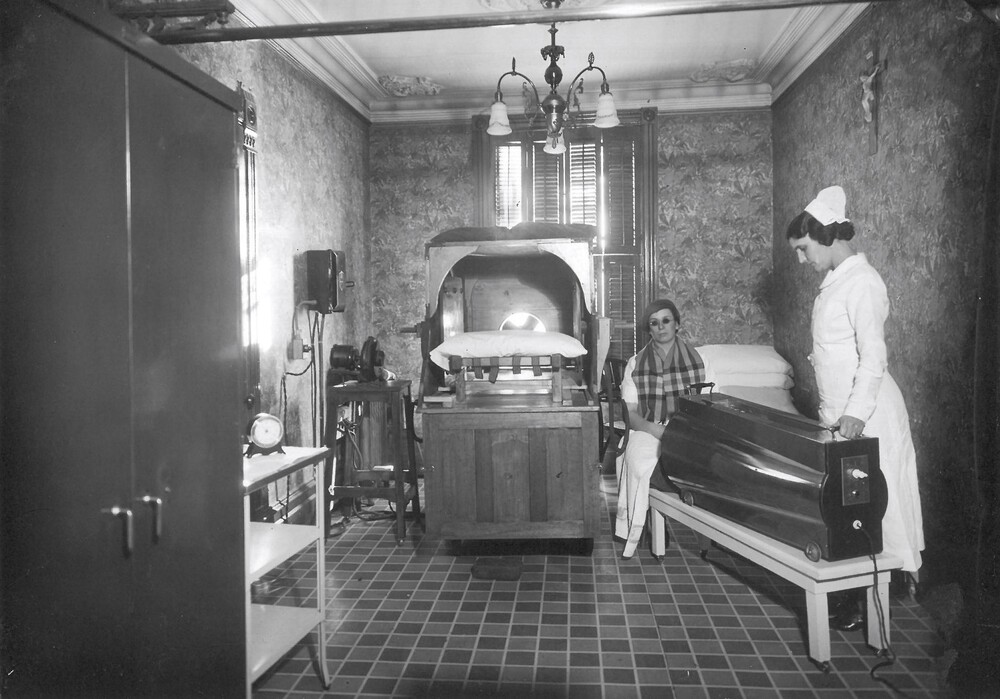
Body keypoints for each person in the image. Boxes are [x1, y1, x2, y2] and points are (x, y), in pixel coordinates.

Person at [787, 185, 925, 629]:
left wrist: (856, 413)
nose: (801, 259)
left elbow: (875, 356)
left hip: (869, 412)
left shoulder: (864, 282)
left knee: (878, 507)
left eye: (803, 249)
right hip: (841, 413)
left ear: (825, 236)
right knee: (851, 507)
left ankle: (885, 590)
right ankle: (854, 593)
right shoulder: (836, 282)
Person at [615, 299, 706, 559]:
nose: (661, 327)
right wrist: (657, 431)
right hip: (648, 428)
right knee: (641, 463)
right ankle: (654, 519)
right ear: (649, 329)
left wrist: (683, 432)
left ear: (677, 324)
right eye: (654, 323)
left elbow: (711, 404)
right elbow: (630, 415)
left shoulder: (700, 360)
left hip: (690, 429)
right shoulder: (635, 363)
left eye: (666, 320)